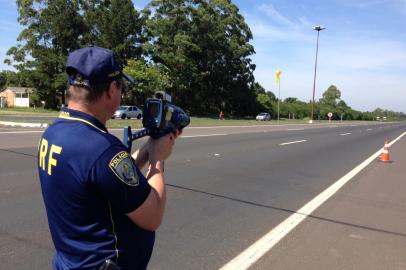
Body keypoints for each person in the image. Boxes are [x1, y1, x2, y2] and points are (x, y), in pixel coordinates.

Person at [37, 45, 180, 270]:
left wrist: (147, 150)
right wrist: (157, 161)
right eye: (120, 86)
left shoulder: (53, 132)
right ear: (111, 90)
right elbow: (153, 216)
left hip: (70, 262)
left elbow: (109, 180)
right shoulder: (101, 149)